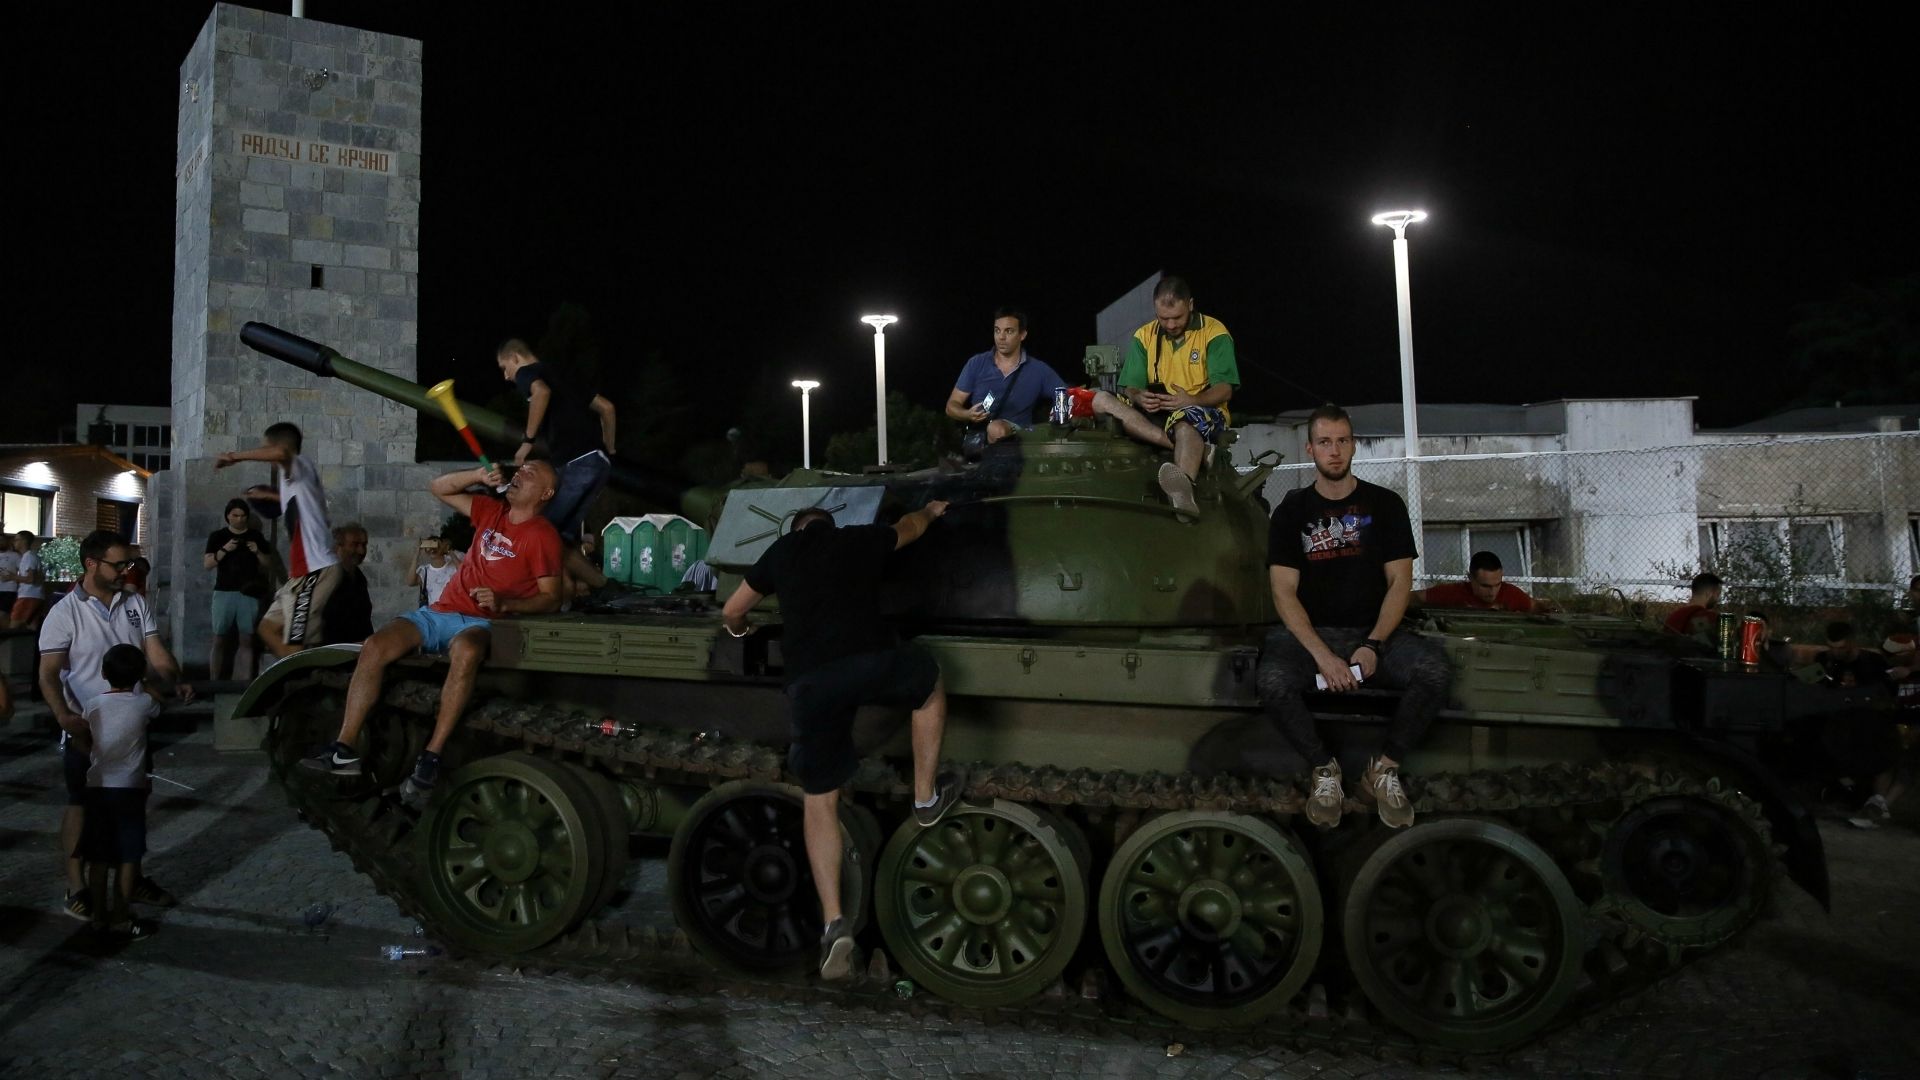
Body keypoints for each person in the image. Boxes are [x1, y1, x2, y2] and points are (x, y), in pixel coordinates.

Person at [720, 501, 966, 980]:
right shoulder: (856, 538)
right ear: (829, 525)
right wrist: (932, 512)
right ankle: (924, 797)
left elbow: (733, 610)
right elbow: (908, 527)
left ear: (796, 530)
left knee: (820, 800)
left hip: (813, 683)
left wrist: (740, 629)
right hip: (870, 662)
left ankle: (835, 923)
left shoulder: (782, 551)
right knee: (929, 686)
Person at [302, 462, 564, 802]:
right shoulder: (491, 511)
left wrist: (505, 601)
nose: (519, 474)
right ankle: (344, 749)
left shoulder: (542, 535)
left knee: (468, 651)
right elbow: (439, 487)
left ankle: (432, 755)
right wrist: (477, 476)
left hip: (484, 622)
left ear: (546, 493)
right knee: (375, 646)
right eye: (520, 469)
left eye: (530, 474)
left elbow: (552, 599)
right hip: (440, 612)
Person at [1256, 405, 1452, 829]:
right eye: (1325, 442)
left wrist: (1375, 644)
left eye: (1342, 441)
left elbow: (1400, 583)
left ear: (1353, 445)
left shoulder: (1384, 505)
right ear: (1310, 448)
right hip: (1313, 638)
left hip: (1374, 633)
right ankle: (1324, 769)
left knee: (1434, 671)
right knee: (1271, 680)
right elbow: (1283, 592)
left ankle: (1382, 770)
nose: (1335, 450)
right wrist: (1324, 657)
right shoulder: (1291, 512)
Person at [37, 530, 192, 922]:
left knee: (133, 802)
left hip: (130, 727)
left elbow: (155, 653)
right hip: (86, 727)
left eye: (130, 563)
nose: (127, 570)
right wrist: (65, 717)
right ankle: (77, 885)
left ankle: (132, 877)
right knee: (80, 804)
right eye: (119, 564)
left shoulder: (134, 603)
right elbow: (49, 674)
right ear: (92, 564)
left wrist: (172, 679)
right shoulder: (64, 613)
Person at [1087, 276, 1240, 520]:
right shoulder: (1143, 336)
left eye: (1176, 318)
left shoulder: (1214, 332)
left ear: (1190, 305)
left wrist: (1191, 400)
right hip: (1157, 412)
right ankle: (1197, 451)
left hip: (1201, 411)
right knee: (1099, 398)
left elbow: (1224, 390)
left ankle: (1184, 494)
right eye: (1163, 318)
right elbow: (1130, 386)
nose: (1170, 325)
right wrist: (1139, 396)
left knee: (1186, 422)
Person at [497, 339, 615, 594]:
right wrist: (609, 448)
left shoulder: (528, 373)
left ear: (516, 357)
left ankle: (537, 595)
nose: (506, 376)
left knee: (540, 530)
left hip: (575, 462)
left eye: (504, 367)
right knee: (561, 538)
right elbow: (607, 408)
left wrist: (527, 441)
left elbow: (542, 392)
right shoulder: (564, 374)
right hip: (599, 464)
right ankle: (604, 587)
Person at [218, 423, 342, 656]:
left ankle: (303, 681)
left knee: (295, 641)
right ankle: (301, 673)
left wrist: (234, 457)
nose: (267, 456)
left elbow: (282, 453)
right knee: (267, 629)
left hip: (315, 572)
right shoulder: (293, 481)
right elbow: (304, 501)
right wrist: (268, 495)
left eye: (267, 449)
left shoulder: (299, 463)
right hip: (301, 576)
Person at [78, 643, 164, 939]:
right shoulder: (143, 704)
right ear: (139, 675)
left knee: (99, 858)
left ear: (103, 673)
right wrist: (148, 683)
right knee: (128, 857)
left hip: (98, 786)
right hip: (130, 789)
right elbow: (159, 703)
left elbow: (82, 736)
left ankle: (98, 917)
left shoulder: (92, 704)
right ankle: (121, 917)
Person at [943, 307, 1067, 448]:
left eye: (1009, 331)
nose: (1001, 337)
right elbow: (951, 406)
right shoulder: (976, 363)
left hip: (1021, 439)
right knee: (994, 429)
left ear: (1022, 335)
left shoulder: (1038, 370)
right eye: (997, 330)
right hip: (980, 440)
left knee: (997, 429)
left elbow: (1064, 395)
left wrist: (1058, 422)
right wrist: (967, 414)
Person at [204, 498, 276, 680]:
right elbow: (208, 564)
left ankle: (241, 682)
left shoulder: (256, 537)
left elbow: (268, 563)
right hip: (223, 592)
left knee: (247, 639)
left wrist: (257, 552)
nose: (239, 519)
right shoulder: (218, 536)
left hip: (248, 593)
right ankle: (214, 681)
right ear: (228, 516)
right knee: (219, 638)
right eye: (235, 515)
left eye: (243, 516)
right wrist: (224, 550)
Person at [1413, 550, 1551, 612]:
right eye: (1485, 586)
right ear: (1470, 578)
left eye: (1497, 585)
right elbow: (1414, 597)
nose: (1493, 592)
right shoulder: (1453, 593)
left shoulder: (1511, 594)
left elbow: (1537, 607)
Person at [408, 537, 463, 607]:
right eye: (429, 546)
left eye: (436, 544)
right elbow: (410, 582)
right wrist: (417, 553)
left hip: (453, 610)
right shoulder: (425, 570)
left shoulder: (453, 565)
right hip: (435, 612)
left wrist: (449, 551)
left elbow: (464, 573)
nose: (432, 549)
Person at [1663, 572, 1722, 637]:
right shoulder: (1712, 619)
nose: (1717, 599)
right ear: (1708, 594)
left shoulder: (1672, 618)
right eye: (1717, 594)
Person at [11, 532, 48, 630]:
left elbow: (30, 579)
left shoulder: (29, 557)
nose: (14, 542)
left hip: (28, 596)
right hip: (35, 596)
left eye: (16, 540)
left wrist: (12, 577)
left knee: (14, 625)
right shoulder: (30, 556)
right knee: (32, 627)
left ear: (24, 541)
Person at [0, 532, 20, 630]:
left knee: (3, 615)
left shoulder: (15, 556)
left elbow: (23, 572)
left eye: (2, 540)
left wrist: (12, 577)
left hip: (9, 590)